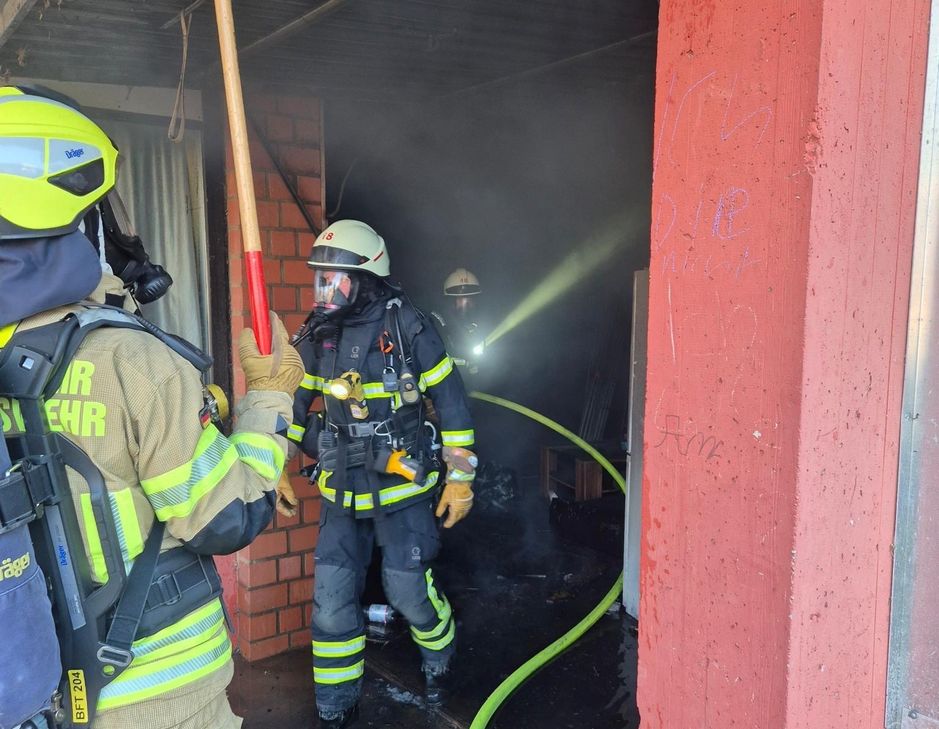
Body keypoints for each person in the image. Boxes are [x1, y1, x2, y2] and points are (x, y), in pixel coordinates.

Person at [0, 86, 304, 728]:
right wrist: (271, 397)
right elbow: (227, 518)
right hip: (160, 694)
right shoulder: (126, 360)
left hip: (47, 692)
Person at [288, 220, 476, 728]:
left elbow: (453, 406)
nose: (324, 292)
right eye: (320, 281)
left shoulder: (408, 326)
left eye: (335, 281)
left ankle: (440, 654)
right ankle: (335, 701)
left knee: (408, 591)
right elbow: (289, 404)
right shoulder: (316, 334)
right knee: (330, 607)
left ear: (367, 278)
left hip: (402, 488)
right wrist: (279, 467)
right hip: (342, 492)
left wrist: (460, 477)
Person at [431, 267, 484, 374]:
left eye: (470, 299)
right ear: (450, 300)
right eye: (461, 299)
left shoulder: (481, 322)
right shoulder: (437, 322)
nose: (466, 304)